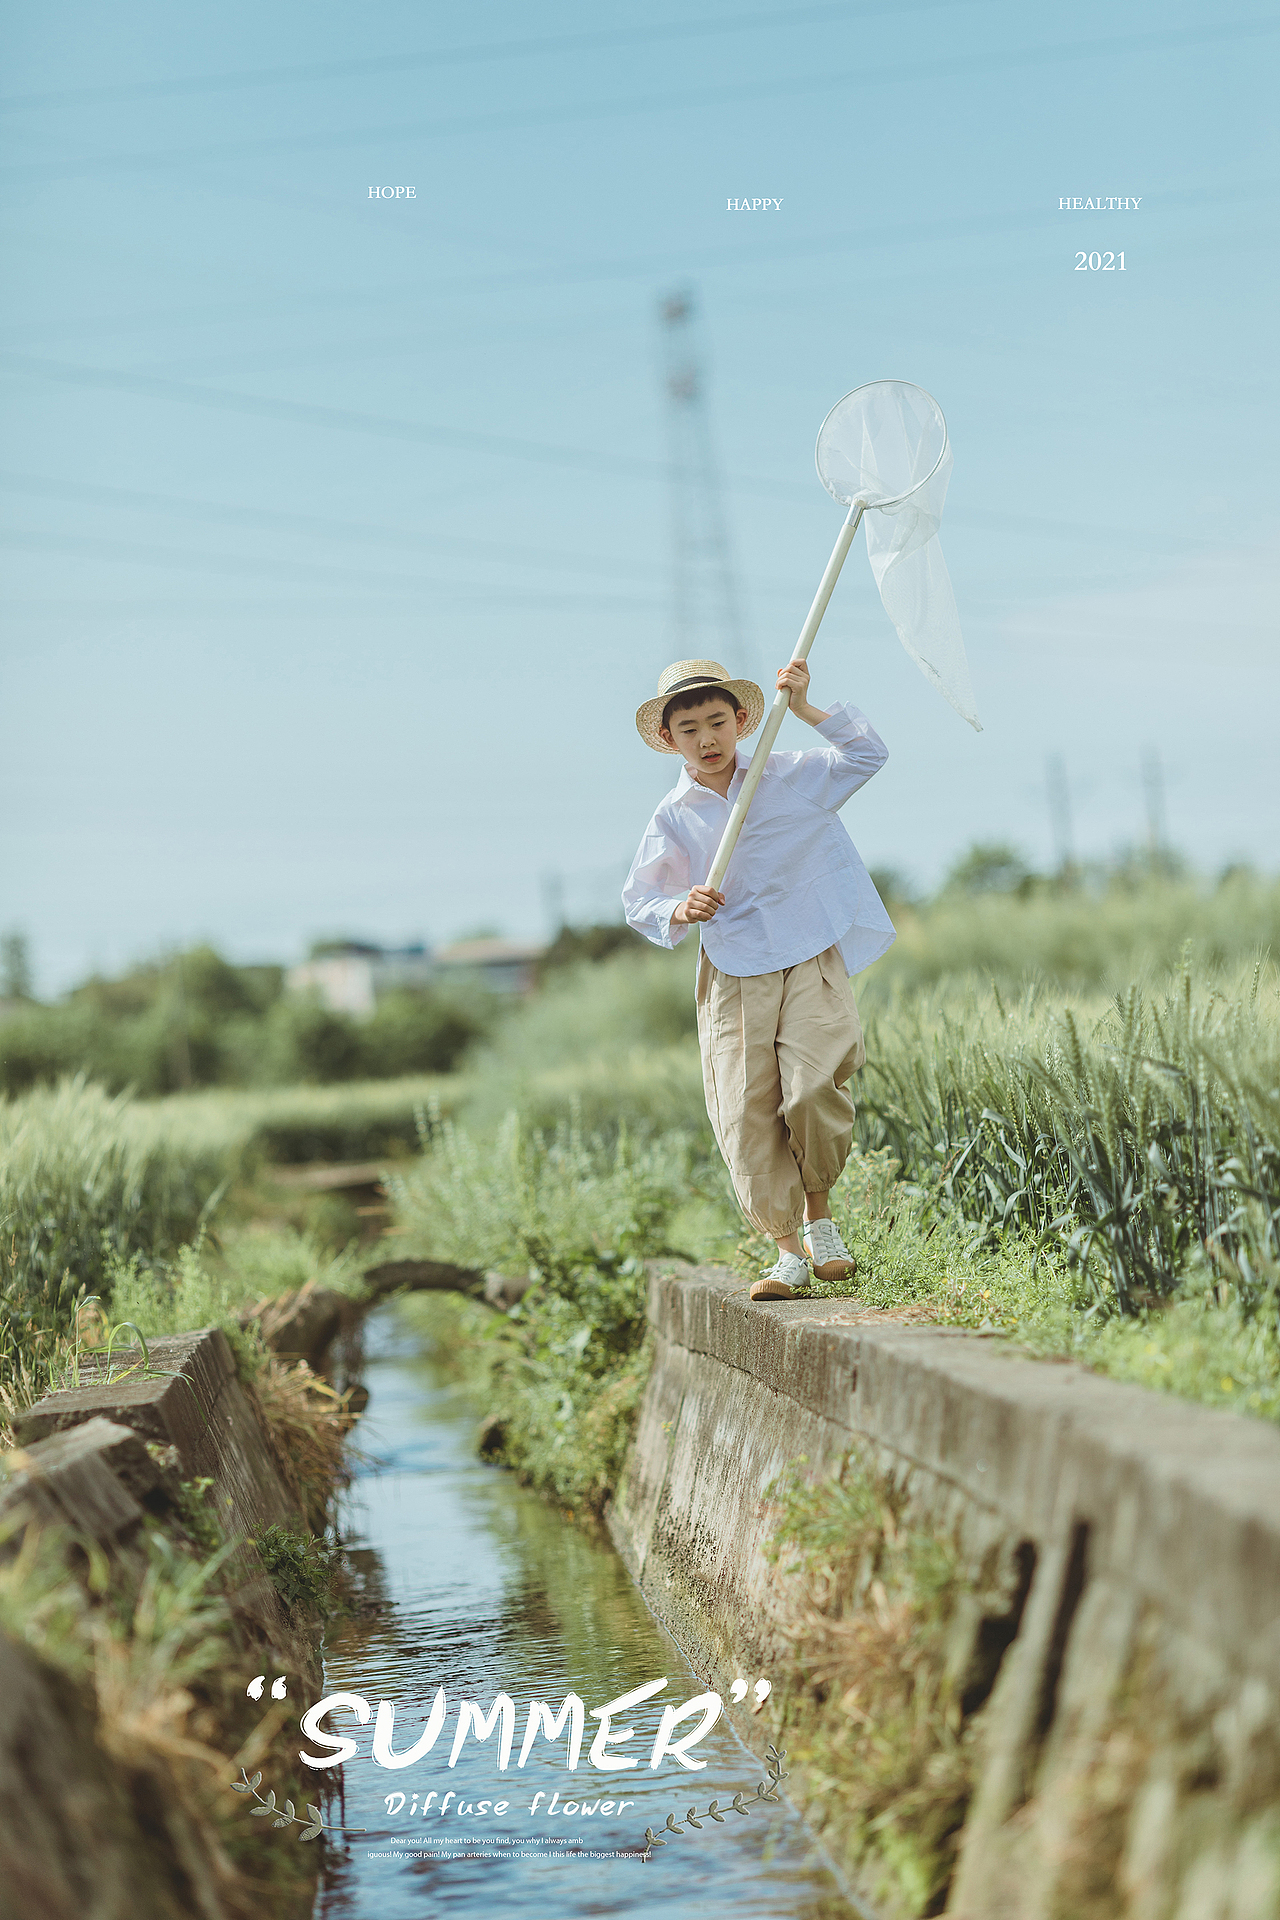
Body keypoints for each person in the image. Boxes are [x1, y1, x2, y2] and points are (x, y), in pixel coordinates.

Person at [622, 657, 895, 1301]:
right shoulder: (673, 815)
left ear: (742, 720)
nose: (707, 738)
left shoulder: (786, 772)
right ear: (670, 739)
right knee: (744, 1111)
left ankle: (821, 1222)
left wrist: (805, 707)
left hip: (807, 949)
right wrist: (680, 907)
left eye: (718, 721)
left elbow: (868, 755)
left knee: (811, 1088)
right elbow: (642, 900)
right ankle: (786, 1252)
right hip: (734, 967)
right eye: (689, 729)